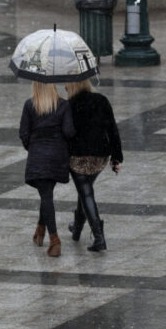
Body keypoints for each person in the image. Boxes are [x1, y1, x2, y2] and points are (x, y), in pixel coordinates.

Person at [64, 79, 123, 252]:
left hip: (78, 157)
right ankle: (77, 228)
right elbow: (112, 129)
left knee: (86, 192)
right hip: (100, 156)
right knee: (85, 190)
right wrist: (116, 157)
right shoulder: (101, 100)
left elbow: (66, 133)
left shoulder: (69, 105)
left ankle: (99, 237)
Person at [18, 81, 75, 257]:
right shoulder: (63, 105)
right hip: (57, 156)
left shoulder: (30, 105)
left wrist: (34, 147)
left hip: (38, 155)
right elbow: (69, 132)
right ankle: (40, 230)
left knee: (46, 195)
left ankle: (54, 239)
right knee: (47, 194)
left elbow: (23, 133)